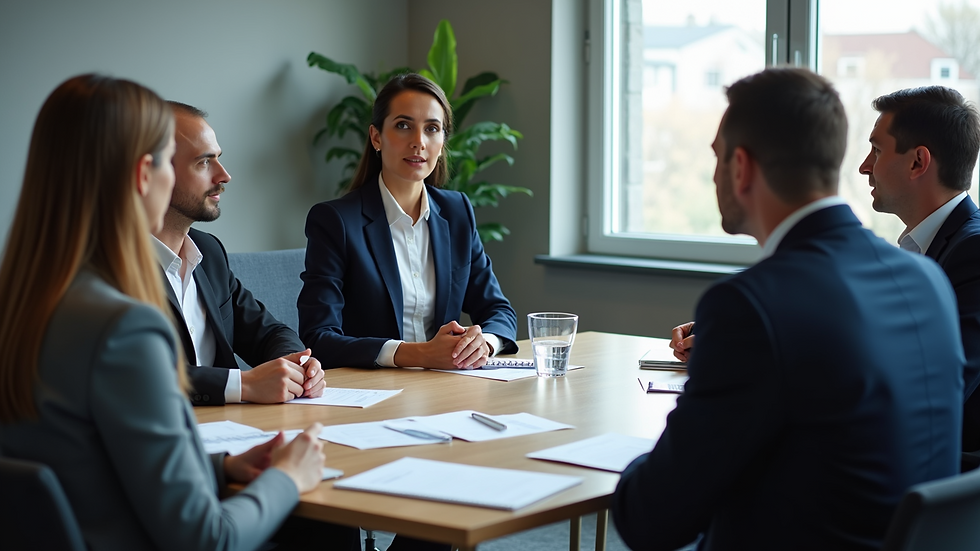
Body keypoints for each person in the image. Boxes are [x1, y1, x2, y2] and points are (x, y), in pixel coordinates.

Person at [613, 68, 963, 551]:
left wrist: (640, 459)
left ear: (742, 167)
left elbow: (650, 520)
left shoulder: (750, 305)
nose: (713, 174)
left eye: (717, 158)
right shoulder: (927, 280)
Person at [0, 74, 329, 551]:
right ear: (142, 175)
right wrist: (289, 477)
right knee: (320, 526)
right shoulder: (124, 325)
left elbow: (86, 464)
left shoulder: (23, 299)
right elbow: (206, 539)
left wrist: (218, 467)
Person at [298, 73, 518, 370]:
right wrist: (418, 354)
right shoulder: (335, 221)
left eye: (432, 129)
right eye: (403, 126)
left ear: (442, 142)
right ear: (376, 137)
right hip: (373, 392)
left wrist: (485, 343)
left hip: (444, 386)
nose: (419, 142)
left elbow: (498, 309)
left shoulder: (457, 212)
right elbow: (319, 337)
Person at [154, 102, 325, 405]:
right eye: (204, 162)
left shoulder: (209, 252)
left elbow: (269, 332)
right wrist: (242, 384)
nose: (224, 175)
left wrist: (297, 365)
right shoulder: (111, 264)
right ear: (153, 172)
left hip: (231, 431)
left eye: (218, 159)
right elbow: (142, 375)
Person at [857, 86, 980, 456]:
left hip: (940, 480)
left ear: (917, 163)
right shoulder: (924, 247)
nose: (865, 166)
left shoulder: (973, 252)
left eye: (876, 150)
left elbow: (940, 387)